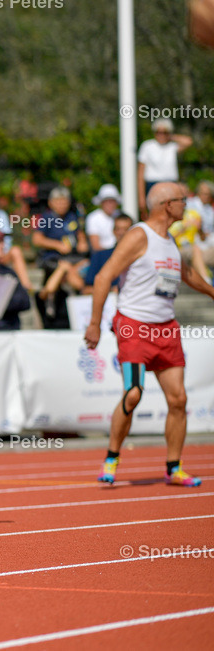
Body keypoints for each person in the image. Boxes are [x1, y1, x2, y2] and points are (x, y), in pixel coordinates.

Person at [86, 182, 214, 487]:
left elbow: (187, 274)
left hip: (166, 327)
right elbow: (104, 276)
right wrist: (94, 323)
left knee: (178, 399)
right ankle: (112, 457)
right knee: (134, 393)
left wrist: (212, 292)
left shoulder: (170, 239)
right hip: (134, 325)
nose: (187, 205)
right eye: (183, 200)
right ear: (166, 204)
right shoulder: (138, 234)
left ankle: (174, 467)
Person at [33, 186, 89, 327]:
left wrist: (82, 242)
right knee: (67, 268)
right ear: (51, 203)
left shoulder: (72, 217)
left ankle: (83, 295)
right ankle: (82, 294)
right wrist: (57, 245)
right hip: (52, 259)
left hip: (73, 257)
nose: (62, 205)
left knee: (87, 264)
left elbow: (80, 234)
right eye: (58, 201)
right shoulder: (46, 217)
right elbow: (37, 240)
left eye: (64, 201)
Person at [137, 119, 192, 216]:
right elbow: (140, 174)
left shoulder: (172, 146)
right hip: (153, 185)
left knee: (172, 214)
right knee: (155, 214)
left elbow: (188, 142)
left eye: (164, 132)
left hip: (171, 184)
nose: (161, 135)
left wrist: (170, 137)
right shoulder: (147, 146)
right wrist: (141, 198)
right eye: (158, 132)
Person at [85, 184, 122, 252]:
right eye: (107, 201)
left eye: (112, 201)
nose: (110, 204)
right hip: (102, 255)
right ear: (101, 202)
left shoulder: (120, 215)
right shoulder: (93, 218)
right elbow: (96, 246)